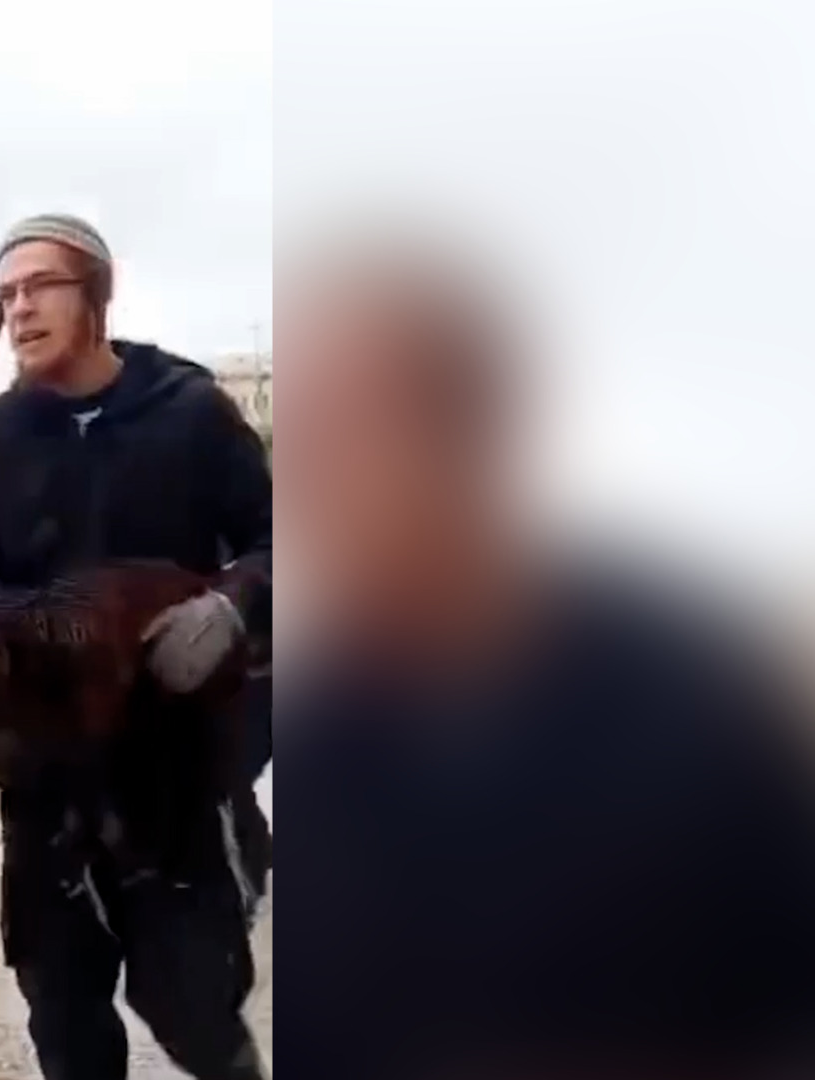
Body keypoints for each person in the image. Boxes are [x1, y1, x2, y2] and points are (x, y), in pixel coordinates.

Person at [280, 231, 815, 1078]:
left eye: (350, 435)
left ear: (471, 440)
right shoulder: (328, 728)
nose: (311, 483)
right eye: (303, 442)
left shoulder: (685, 704)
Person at [0, 214, 271, 1080]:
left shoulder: (191, 413)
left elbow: (282, 539)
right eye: (5, 295)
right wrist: (32, 631)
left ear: (97, 290)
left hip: (178, 777)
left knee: (198, 1012)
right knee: (65, 1020)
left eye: (39, 285)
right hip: (45, 785)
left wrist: (232, 607)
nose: (19, 308)